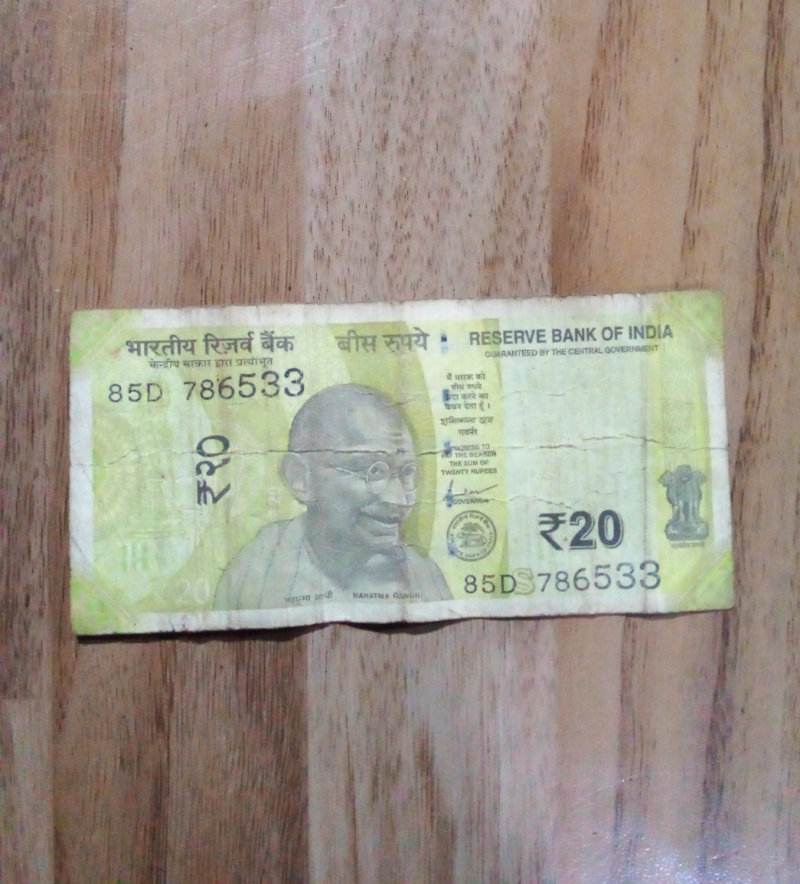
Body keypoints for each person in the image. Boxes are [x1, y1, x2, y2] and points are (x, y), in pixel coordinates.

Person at [215, 384, 451, 609]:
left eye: (407, 473)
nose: (398, 499)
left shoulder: (424, 578)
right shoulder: (256, 573)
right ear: (301, 478)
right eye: (370, 470)